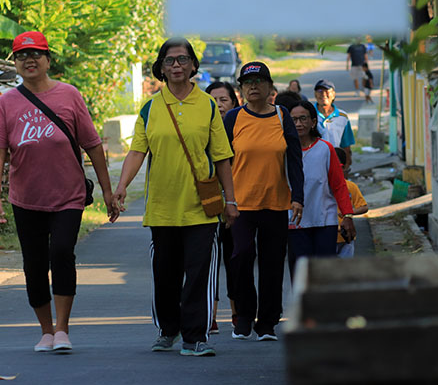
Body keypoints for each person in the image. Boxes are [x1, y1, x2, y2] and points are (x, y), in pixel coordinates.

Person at [0, 31, 119, 353]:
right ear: (15, 63)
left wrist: (107, 191)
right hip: (25, 197)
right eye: (21, 56)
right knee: (33, 264)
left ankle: (63, 328)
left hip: (68, 195)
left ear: (48, 59)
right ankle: (46, 331)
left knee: (61, 252)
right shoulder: (7, 103)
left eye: (36, 54)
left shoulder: (69, 95)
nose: (29, 60)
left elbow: (93, 145)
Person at [112, 37, 238, 357]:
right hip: (163, 206)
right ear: (161, 68)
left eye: (183, 60)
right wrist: (121, 186)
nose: (177, 66)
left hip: (202, 207)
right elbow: (137, 151)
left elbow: (222, 156)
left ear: (194, 66)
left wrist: (232, 201)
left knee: (198, 274)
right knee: (165, 274)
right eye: (170, 61)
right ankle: (168, 329)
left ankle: (195, 337)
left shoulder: (208, 105)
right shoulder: (151, 107)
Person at [223, 62, 304, 342]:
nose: (253, 87)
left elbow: (294, 160)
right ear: (241, 89)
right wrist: (225, 199)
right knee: (241, 255)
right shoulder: (233, 118)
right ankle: (244, 317)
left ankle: (267, 322)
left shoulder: (282, 117)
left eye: (259, 81)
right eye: (247, 83)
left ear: (270, 88)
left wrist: (298, 198)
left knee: (272, 263)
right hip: (241, 204)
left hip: (276, 202)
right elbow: (222, 161)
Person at [271, 94, 355, 277]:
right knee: (302, 276)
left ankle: (325, 306)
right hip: (294, 222)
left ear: (313, 121)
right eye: (293, 120)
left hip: (325, 221)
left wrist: (347, 215)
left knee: (325, 274)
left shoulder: (325, 149)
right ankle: (304, 306)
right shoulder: (281, 151)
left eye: (303, 118)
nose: (299, 124)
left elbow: (339, 185)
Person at [205, 81, 240, 333]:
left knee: (235, 259)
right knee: (207, 262)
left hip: (237, 203)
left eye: (224, 100)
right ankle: (211, 315)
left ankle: (238, 313)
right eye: (213, 100)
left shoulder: (242, 129)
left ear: (234, 103)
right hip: (206, 203)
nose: (218, 105)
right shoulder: (200, 130)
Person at [313, 79, 356, 171]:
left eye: (327, 91)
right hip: (313, 162)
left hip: (336, 162)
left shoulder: (342, 117)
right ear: (315, 95)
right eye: (320, 91)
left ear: (333, 94)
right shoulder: (309, 114)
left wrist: (347, 162)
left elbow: (346, 143)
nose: (323, 94)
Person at [334, 147, 368, 258]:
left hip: (346, 235)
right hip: (328, 236)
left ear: (342, 167)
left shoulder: (350, 186)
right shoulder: (322, 187)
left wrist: (349, 212)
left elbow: (364, 207)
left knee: (345, 269)